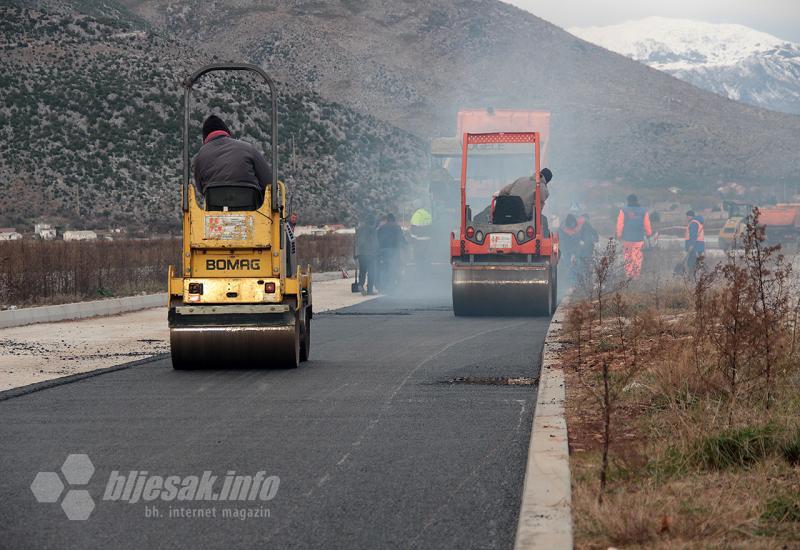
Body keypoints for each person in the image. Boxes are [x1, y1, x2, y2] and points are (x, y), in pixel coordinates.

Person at [193, 115, 272, 196]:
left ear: (204, 138)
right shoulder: (248, 148)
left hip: (214, 205)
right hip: (249, 205)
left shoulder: (200, 155)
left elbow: (200, 188)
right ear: (227, 132)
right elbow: (268, 182)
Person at [616, 194, 653, 279]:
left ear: (628, 201)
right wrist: (648, 234)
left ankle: (629, 275)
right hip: (639, 238)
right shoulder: (644, 211)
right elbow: (647, 224)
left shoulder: (624, 210)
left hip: (627, 238)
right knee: (637, 256)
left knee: (628, 256)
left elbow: (620, 224)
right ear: (637, 200)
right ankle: (636, 275)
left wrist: (619, 235)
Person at [377, 213, 406, 292]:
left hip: (382, 250)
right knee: (393, 268)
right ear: (394, 219)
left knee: (384, 268)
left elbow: (377, 238)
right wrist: (406, 245)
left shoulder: (382, 227)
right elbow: (401, 238)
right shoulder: (397, 227)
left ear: (387, 219)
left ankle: (382, 286)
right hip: (393, 250)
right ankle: (392, 286)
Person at [354, 214, 379, 295]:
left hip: (361, 254)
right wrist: (377, 251)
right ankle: (369, 290)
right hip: (370, 254)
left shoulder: (359, 229)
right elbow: (375, 243)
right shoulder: (373, 230)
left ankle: (361, 285)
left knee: (362, 271)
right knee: (372, 272)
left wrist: (355, 254)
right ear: (372, 221)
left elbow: (356, 242)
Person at [409, 203, 433, 271]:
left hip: (419, 241)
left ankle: (419, 272)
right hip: (427, 240)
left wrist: (412, 240)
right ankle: (427, 271)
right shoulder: (427, 214)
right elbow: (431, 228)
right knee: (426, 257)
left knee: (418, 258)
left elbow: (414, 230)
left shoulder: (417, 214)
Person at [684, 210, 705, 275]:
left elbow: (693, 235)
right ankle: (700, 275)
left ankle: (692, 277)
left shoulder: (693, 223)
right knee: (697, 262)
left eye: (687, 217)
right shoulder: (698, 222)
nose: (687, 218)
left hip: (694, 246)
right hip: (699, 245)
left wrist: (691, 245)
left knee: (691, 263)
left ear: (690, 216)